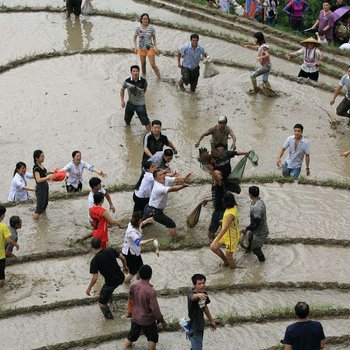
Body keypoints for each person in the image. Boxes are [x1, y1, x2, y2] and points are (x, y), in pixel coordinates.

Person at [124, 264, 167, 350]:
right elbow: (155, 310)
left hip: (135, 318)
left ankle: (126, 347)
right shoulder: (150, 291)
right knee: (153, 338)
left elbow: (130, 298)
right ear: (150, 275)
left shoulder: (133, 285)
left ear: (139, 274)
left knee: (131, 336)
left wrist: (130, 312)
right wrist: (162, 321)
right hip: (148, 321)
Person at [86, 237, 128, 319]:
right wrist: (125, 267)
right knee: (107, 289)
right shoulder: (110, 250)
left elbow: (95, 278)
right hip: (121, 277)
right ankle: (110, 302)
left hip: (111, 282)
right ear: (101, 244)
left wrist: (89, 288)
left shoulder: (95, 260)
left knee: (101, 304)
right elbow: (123, 258)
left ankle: (110, 320)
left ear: (92, 247)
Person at [143, 170, 191, 238]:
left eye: (163, 174)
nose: (163, 176)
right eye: (160, 175)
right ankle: (174, 240)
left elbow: (177, 179)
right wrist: (183, 186)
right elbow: (173, 189)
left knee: (143, 224)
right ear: (156, 178)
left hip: (148, 207)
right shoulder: (158, 187)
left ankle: (137, 228)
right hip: (154, 211)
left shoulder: (165, 179)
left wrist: (185, 177)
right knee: (171, 224)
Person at [122, 211, 155, 283]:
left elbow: (140, 225)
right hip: (130, 254)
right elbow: (139, 243)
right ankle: (125, 282)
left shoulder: (133, 223)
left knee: (140, 269)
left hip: (135, 252)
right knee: (132, 272)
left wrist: (147, 221)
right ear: (139, 220)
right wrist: (150, 240)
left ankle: (139, 283)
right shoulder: (132, 231)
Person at [210, 192, 240, 269]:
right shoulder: (233, 208)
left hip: (231, 237)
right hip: (227, 234)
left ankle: (232, 270)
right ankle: (226, 262)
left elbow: (224, 228)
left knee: (229, 255)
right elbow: (230, 221)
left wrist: (216, 239)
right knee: (213, 247)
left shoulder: (230, 214)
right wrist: (224, 221)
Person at [187, 274, 217, 350]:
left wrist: (211, 321)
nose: (202, 285)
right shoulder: (191, 293)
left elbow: (205, 308)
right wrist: (198, 295)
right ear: (194, 285)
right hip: (194, 329)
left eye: (203, 283)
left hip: (200, 326)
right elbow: (192, 297)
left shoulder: (204, 294)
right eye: (199, 284)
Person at [241, 186, 269, 262]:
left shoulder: (257, 207)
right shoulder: (258, 201)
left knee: (256, 248)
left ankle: (262, 261)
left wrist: (247, 228)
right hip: (256, 229)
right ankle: (248, 250)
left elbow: (256, 222)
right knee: (250, 238)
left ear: (250, 194)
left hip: (261, 232)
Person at [120, 65, 151, 132]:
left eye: (137, 71)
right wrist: (122, 101)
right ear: (131, 72)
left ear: (139, 72)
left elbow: (145, 89)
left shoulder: (143, 81)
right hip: (130, 103)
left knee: (145, 121)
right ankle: (128, 132)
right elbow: (122, 89)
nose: (135, 73)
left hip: (140, 104)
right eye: (134, 71)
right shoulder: (127, 81)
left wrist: (140, 96)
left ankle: (150, 134)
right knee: (127, 119)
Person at [133, 13, 160, 79]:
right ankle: (144, 77)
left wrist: (155, 47)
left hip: (150, 48)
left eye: (146, 19)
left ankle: (159, 78)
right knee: (143, 64)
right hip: (141, 48)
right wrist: (135, 47)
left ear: (148, 20)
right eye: (144, 19)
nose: (145, 20)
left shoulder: (151, 28)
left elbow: (154, 38)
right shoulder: (137, 28)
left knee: (153, 65)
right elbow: (134, 38)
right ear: (141, 20)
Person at [202, 169, 226, 241]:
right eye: (214, 174)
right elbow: (216, 196)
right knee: (210, 232)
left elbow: (217, 179)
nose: (215, 175)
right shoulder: (214, 185)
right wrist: (207, 200)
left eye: (217, 174)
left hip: (223, 211)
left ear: (221, 177)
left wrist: (211, 171)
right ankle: (214, 244)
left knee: (225, 229)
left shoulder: (220, 184)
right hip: (216, 210)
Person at [32, 150, 55, 220]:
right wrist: (48, 177)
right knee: (39, 208)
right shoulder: (36, 168)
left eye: (43, 156)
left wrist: (51, 173)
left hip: (45, 186)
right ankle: (35, 223)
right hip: (40, 188)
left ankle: (43, 221)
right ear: (36, 158)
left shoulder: (41, 165)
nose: (43, 158)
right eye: (41, 156)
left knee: (45, 204)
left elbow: (44, 174)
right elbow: (38, 179)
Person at [0, 206, 19, 287]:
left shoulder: (6, 227)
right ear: (2, 216)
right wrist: (16, 244)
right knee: (1, 279)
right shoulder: (4, 227)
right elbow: (8, 241)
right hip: (0, 257)